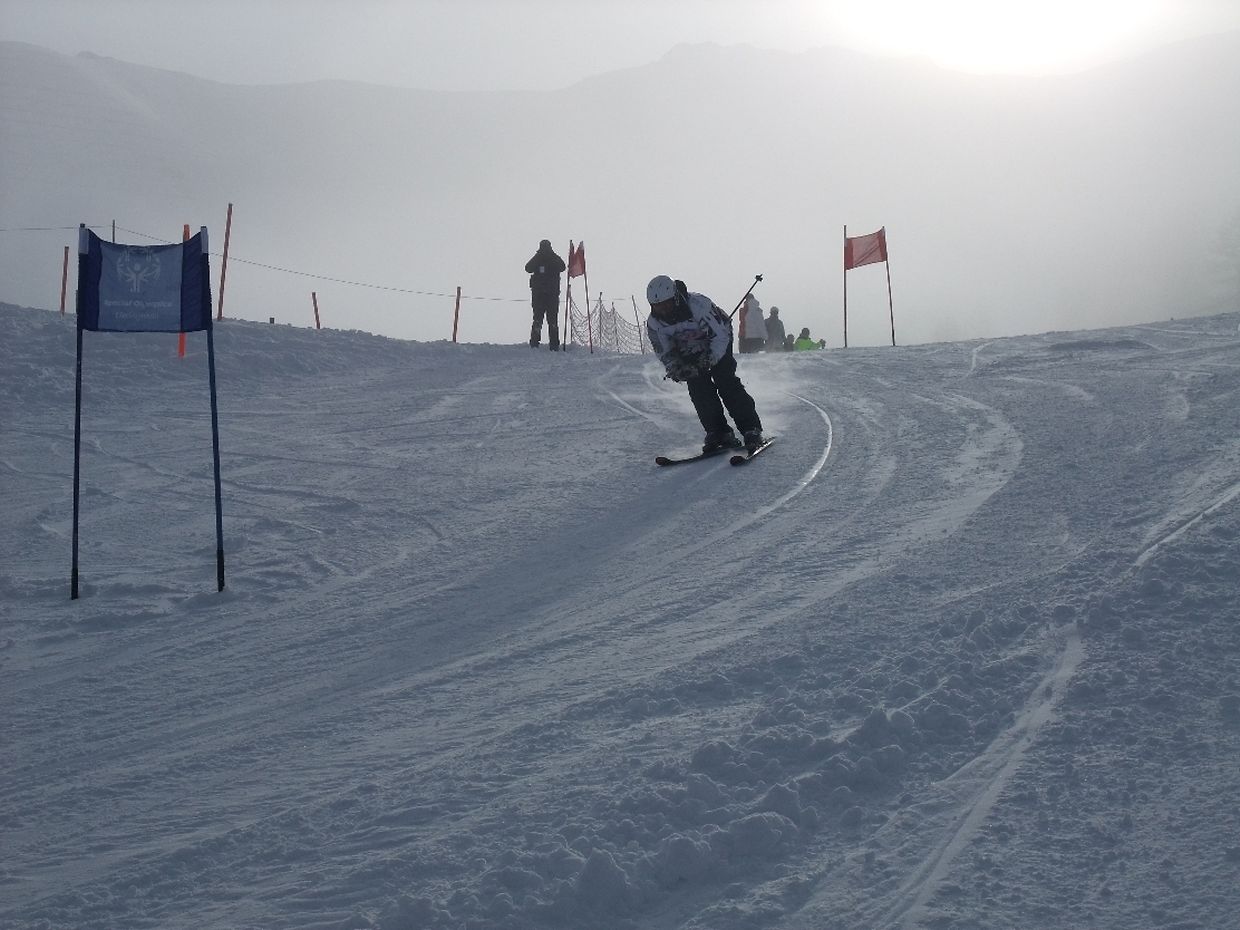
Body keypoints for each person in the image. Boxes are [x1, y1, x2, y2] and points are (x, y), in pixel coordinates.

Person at [645, 275, 764, 452]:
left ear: (675, 298)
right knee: (698, 386)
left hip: (717, 340)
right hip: (689, 347)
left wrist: (710, 359)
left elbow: (720, 336)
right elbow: (664, 351)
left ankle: (750, 428)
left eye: (666, 304)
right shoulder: (655, 324)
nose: (663, 310)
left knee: (725, 380)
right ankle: (718, 431)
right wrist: (675, 367)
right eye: (657, 306)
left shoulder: (699, 305)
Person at [524, 239, 566, 350]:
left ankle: (535, 344)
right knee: (551, 321)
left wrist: (539, 256)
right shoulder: (553, 258)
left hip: (541, 295)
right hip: (550, 295)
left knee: (539, 320)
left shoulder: (542, 258)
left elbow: (528, 268)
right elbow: (528, 268)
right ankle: (553, 345)